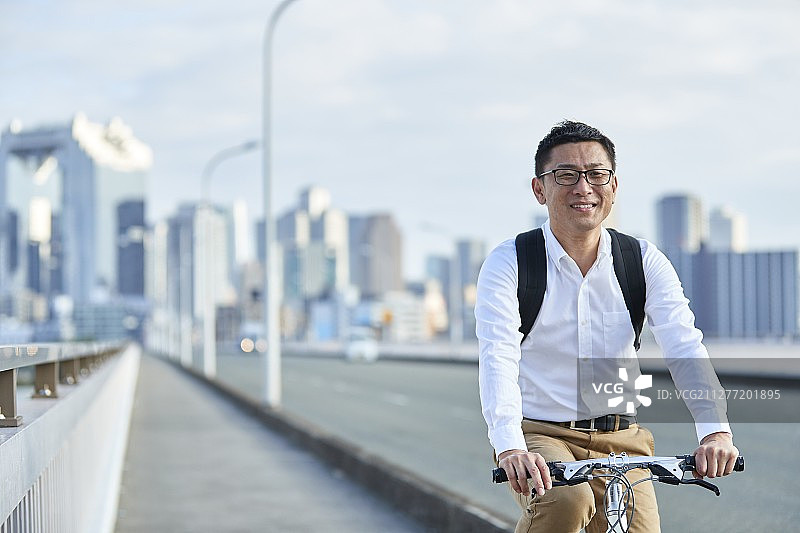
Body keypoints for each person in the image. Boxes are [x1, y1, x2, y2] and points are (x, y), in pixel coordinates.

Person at [475, 120, 739, 533]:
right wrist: (510, 447)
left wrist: (715, 431)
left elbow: (684, 346)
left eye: (597, 174)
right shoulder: (510, 261)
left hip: (623, 439)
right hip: (543, 435)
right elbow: (498, 355)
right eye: (566, 175)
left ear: (613, 186)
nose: (584, 187)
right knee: (566, 501)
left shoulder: (642, 261)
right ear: (539, 189)